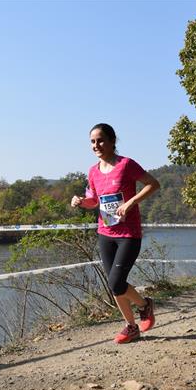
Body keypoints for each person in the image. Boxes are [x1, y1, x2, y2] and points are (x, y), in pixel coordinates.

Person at [71, 124, 160, 344]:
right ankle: (132, 327)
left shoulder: (126, 165)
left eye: (100, 140)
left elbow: (153, 184)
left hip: (128, 233)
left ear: (112, 141)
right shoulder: (93, 171)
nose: (96, 145)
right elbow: (94, 201)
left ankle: (144, 306)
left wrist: (131, 202)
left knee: (116, 282)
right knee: (114, 286)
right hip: (105, 233)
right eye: (92, 142)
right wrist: (81, 202)